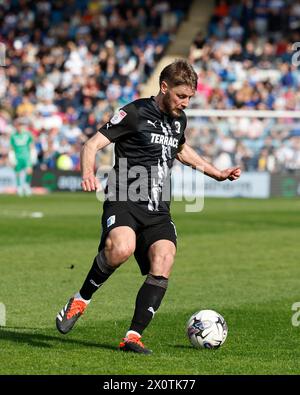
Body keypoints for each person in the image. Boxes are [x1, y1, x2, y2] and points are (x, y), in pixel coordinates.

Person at [55, 60, 241, 354]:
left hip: (158, 207)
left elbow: (181, 149)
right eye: (181, 96)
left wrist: (215, 172)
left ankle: (132, 337)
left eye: (190, 97)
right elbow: (91, 145)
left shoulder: (179, 119)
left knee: (164, 258)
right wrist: (87, 173)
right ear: (164, 87)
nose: (186, 102)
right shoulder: (134, 112)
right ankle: (81, 299)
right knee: (121, 249)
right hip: (125, 197)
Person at [10, 119, 34, 196]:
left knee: (29, 171)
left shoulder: (27, 134)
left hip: (26, 156)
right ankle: (19, 186)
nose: (19, 127)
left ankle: (26, 185)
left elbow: (31, 145)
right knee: (18, 172)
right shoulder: (13, 136)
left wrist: (33, 155)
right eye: (18, 126)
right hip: (17, 157)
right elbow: (12, 147)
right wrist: (12, 157)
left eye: (20, 125)